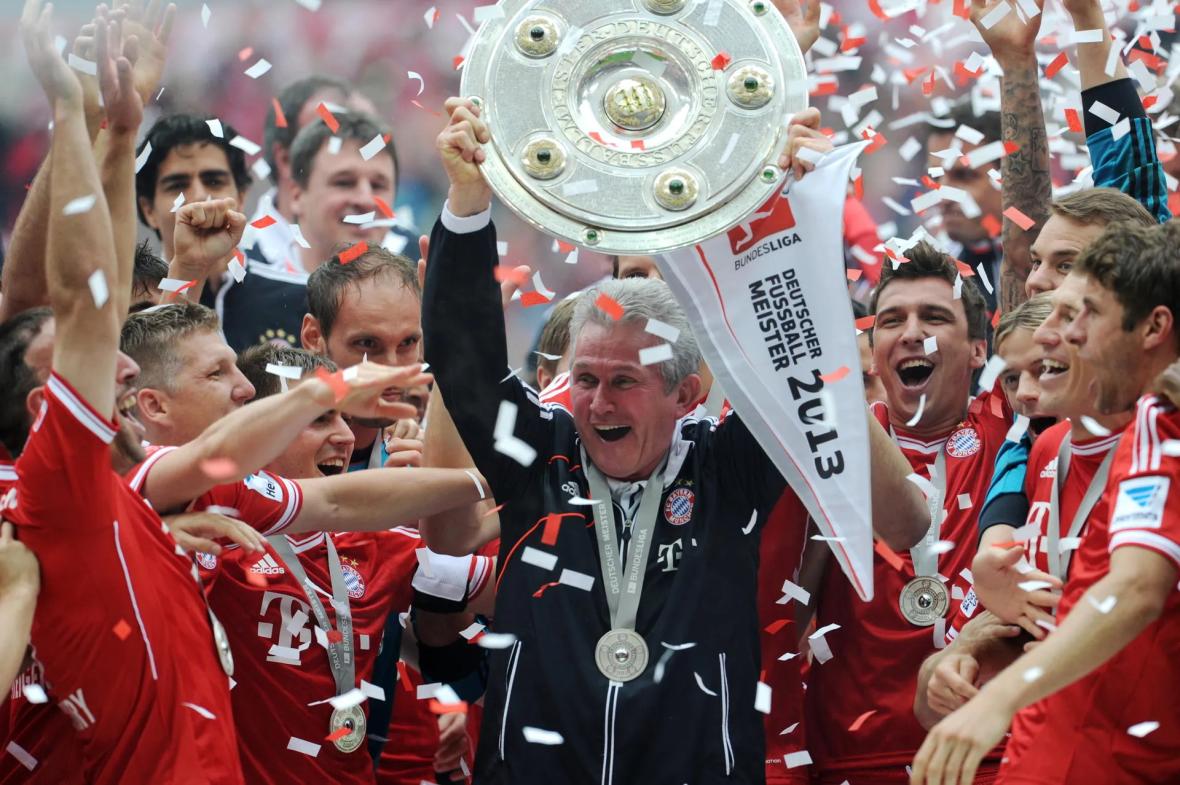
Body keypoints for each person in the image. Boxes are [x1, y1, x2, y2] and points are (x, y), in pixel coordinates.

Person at [419, 95, 927, 784]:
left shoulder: (728, 473)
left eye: (624, 381)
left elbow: (800, 358)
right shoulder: (539, 460)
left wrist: (785, 201)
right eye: (585, 378)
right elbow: (463, 356)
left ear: (686, 394)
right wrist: (467, 202)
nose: (596, 402)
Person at [911, 220, 1180, 785]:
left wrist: (999, 699)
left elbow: (1136, 589)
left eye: (1085, 314)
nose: (1064, 335)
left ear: (1155, 326)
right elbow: (1076, 616)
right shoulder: (1049, 450)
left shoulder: (1161, 423)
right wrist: (973, 652)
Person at [805, 241, 1012, 784]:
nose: (911, 333)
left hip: (989, 760)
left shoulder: (1010, 429)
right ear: (874, 352)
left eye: (935, 317)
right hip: (852, 763)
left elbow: (1029, 276)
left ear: (978, 351)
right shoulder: (827, 444)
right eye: (892, 320)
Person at [245, 74, 381, 271]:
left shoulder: (408, 250)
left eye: (360, 135)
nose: (350, 149)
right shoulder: (237, 264)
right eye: (326, 134)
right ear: (286, 160)